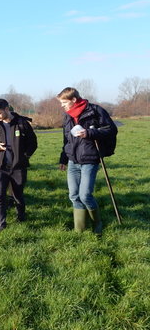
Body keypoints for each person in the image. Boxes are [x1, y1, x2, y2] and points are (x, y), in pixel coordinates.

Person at [57, 87, 117, 235]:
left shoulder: (95, 111)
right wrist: (63, 158)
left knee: (85, 195)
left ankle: (97, 224)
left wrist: (89, 133)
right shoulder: (68, 116)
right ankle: (80, 229)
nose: (62, 105)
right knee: (74, 195)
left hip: (90, 159)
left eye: (64, 102)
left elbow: (111, 129)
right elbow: (67, 139)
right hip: (73, 161)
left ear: (74, 100)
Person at [0, 99, 37, 234]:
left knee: (18, 195)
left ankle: (21, 217)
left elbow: (33, 143)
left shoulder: (22, 123)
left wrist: (25, 156)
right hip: (0, 166)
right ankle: (2, 224)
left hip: (18, 167)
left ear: (6, 109)